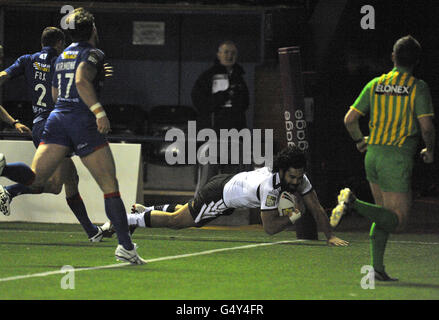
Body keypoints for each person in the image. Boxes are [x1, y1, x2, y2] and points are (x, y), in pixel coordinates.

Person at [15, 8, 145, 264]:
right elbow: (82, 81)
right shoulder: (94, 52)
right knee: (110, 188)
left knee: (35, 178)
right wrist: (98, 112)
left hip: (56, 118)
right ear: (93, 29)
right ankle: (125, 247)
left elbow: (55, 92)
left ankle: (5, 168)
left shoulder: (62, 54)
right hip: (81, 121)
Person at [331, 35, 435, 281]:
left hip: (373, 156)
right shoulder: (417, 87)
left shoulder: (375, 84)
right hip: (396, 158)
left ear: (393, 57)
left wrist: (360, 140)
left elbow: (349, 120)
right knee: (397, 222)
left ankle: (376, 269)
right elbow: (427, 126)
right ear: (417, 61)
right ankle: (352, 201)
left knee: (382, 214)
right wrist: (430, 150)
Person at [104, 146, 349, 247]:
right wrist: (295, 216)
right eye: (293, 177)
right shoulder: (269, 187)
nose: (297, 182)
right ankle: (127, 220)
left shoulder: (299, 179)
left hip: (225, 186)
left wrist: (330, 235)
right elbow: (270, 229)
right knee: (178, 222)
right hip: (219, 194)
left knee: (185, 209)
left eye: (300, 177)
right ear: (282, 171)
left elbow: (315, 207)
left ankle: (144, 211)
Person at [0, 28, 110, 242]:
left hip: (39, 125)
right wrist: (100, 72)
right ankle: (6, 176)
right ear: (60, 43)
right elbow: (81, 81)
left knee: (62, 182)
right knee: (44, 181)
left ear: (42, 43)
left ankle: (92, 232)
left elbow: (3, 76)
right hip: (58, 126)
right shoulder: (62, 61)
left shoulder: (27, 59)